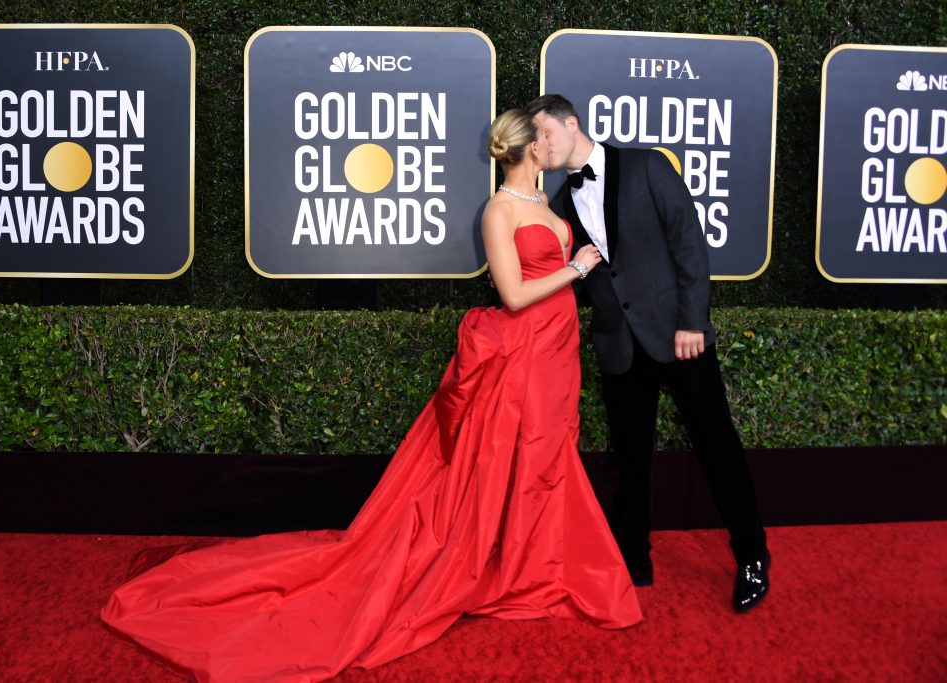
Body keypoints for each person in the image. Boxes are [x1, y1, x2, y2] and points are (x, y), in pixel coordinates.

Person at [101, 109, 641, 683]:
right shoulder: (499, 210)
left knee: (546, 453)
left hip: (557, 348)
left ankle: (534, 564)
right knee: (519, 452)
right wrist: (577, 269)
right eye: (545, 137)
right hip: (522, 350)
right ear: (531, 148)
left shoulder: (543, 205)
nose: (553, 143)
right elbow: (511, 294)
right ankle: (508, 566)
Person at [525, 94, 770, 612]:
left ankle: (752, 555)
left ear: (572, 125)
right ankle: (633, 558)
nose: (540, 145)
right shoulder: (560, 205)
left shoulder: (645, 165)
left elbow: (689, 243)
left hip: (678, 337)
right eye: (535, 138)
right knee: (631, 459)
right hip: (619, 345)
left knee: (716, 446)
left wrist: (692, 321)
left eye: (545, 133)